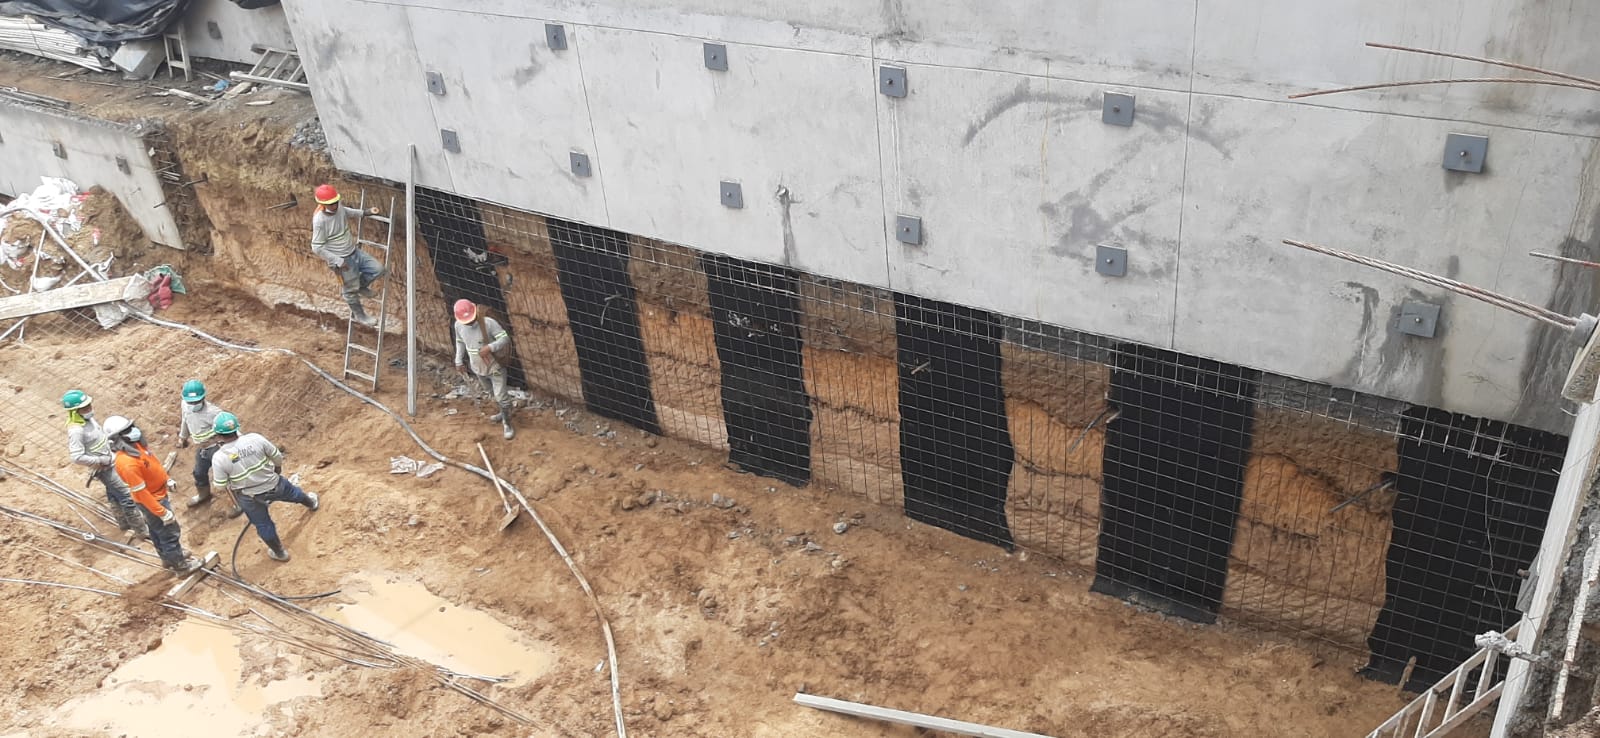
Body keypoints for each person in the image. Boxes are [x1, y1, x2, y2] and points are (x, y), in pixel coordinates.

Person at [208, 412, 319, 562]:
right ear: (236, 428)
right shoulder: (255, 439)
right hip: (274, 484)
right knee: (294, 493)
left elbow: (220, 486)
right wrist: (277, 469)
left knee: (263, 524)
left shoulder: (219, 457)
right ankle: (311, 503)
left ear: (218, 435)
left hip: (250, 497)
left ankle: (280, 553)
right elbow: (277, 456)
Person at [104, 415, 201, 574]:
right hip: (152, 501)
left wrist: (167, 479)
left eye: (131, 427)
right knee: (169, 533)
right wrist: (162, 512)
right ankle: (181, 566)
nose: (133, 431)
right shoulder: (127, 463)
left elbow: (153, 464)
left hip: (157, 495)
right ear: (117, 438)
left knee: (156, 531)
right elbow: (141, 493)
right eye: (127, 430)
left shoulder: (135, 447)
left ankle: (168, 558)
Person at [62, 389, 147, 537]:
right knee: (127, 496)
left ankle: (123, 522)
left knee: (114, 494)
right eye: (85, 407)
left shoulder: (88, 420)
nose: (89, 409)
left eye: (89, 405)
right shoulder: (76, 430)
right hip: (104, 468)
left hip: (110, 460)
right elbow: (76, 457)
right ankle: (141, 529)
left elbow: (99, 438)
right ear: (75, 411)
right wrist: (100, 461)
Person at [309, 184, 384, 326]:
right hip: (342, 261)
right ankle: (360, 316)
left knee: (378, 269)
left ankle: (361, 286)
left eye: (336, 202)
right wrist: (337, 260)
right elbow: (316, 247)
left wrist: (365, 212)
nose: (334, 206)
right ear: (323, 204)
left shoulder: (338, 207)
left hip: (354, 251)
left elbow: (347, 211)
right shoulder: (320, 221)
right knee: (350, 291)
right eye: (330, 204)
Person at [176, 379, 242, 517]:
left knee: (226, 475)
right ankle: (203, 495)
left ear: (204, 397)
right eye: (190, 402)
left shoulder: (213, 413)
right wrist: (183, 437)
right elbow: (185, 420)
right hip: (202, 448)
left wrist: (241, 444)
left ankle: (238, 503)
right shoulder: (185, 405)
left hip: (217, 446)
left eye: (196, 401)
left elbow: (229, 428)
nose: (193, 405)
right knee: (199, 473)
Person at [452, 298, 515, 440]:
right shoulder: (458, 326)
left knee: (500, 395)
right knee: (491, 392)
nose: (469, 323)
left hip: (494, 366)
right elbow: (460, 342)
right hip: (478, 367)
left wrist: (490, 347)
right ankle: (504, 409)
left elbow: (505, 338)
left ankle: (507, 422)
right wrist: (458, 360)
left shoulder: (488, 323)